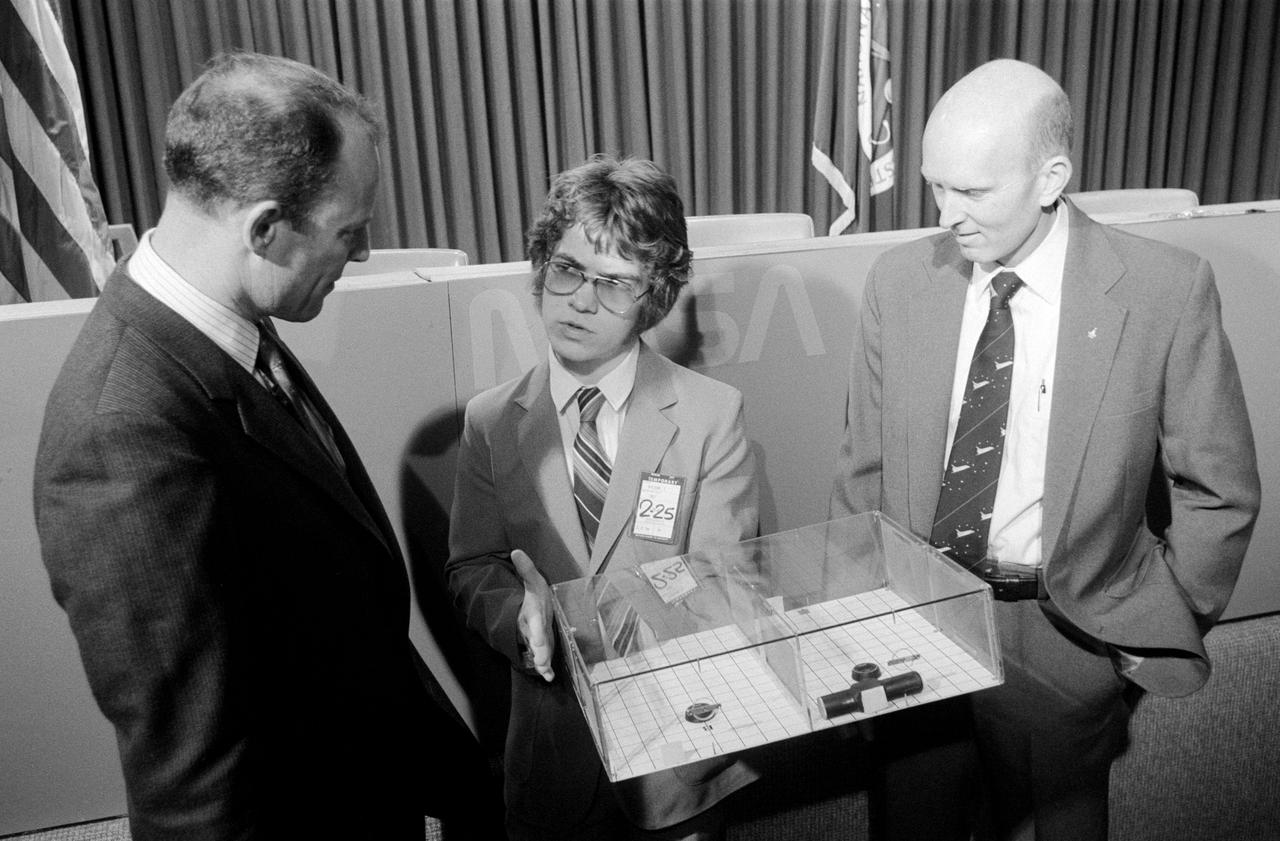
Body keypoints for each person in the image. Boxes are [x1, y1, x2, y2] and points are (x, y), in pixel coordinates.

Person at [33, 52, 500, 841]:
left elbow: (341, 620)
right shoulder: (120, 433)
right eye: (350, 231)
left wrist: (468, 791)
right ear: (266, 228)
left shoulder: (234, 322)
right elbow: (193, 787)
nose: (359, 254)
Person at [830, 59, 1260, 841]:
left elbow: (1218, 488)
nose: (946, 213)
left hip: (1061, 643)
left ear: (1050, 176)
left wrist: (1138, 631)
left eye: (973, 190)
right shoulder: (899, 280)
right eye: (934, 185)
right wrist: (861, 629)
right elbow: (863, 471)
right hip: (915, 630)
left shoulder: (1164, 289)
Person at [446, 155, 759, 841]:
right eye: (567, 269)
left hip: (680, 758)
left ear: (656, 293)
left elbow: (723, 573)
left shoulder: (710, 414)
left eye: (615, 283)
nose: (581, 301)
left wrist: (627, 613)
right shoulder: (492, 421)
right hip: (551, 760)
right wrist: (520, 620)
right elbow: (471, 569)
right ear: (539, 270)